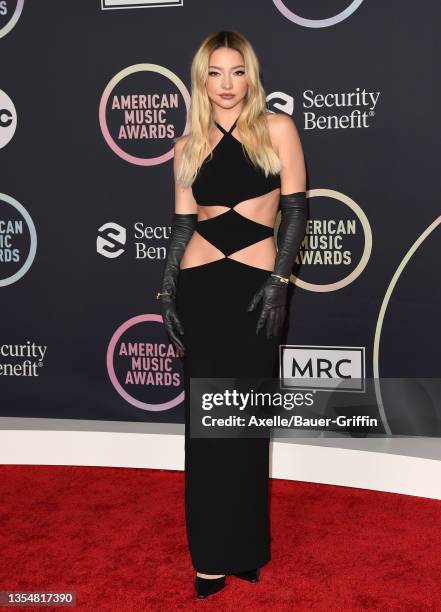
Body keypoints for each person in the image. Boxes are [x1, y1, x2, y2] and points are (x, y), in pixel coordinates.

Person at [156, 30, 307, 599]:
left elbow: (294, 212)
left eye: (236, 71)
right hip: (200, 288)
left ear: (251, 75)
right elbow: (181, 226)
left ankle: (245, 547)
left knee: (245, 422)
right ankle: (210, 557)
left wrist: (279, 283)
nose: (225, 84)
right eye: (215, 72)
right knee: (207, 429)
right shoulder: (186, 143)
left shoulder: (277, 129)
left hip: (254, 288)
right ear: (201, 78)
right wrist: (167, 291)